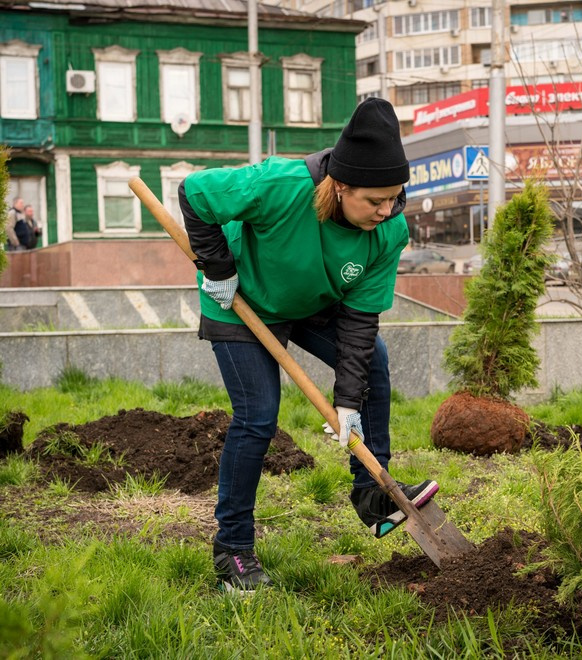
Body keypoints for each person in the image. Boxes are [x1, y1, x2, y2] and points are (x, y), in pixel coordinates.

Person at [180, 98, 438, 594]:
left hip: (313, 303)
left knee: (375, 363)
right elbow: (195, 192)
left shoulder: (389, 230)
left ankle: (373, 496)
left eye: (396, 197)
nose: (387, 211)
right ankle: (232, 548)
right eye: (375, 200)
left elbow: (362, 322)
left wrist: (346, 402)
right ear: (339, 185)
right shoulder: (281, 186)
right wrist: (217, 268)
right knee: (257, 416)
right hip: (242, 298)